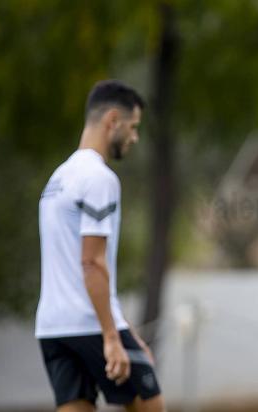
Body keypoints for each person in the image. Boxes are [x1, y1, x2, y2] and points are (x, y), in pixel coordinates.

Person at [36, 80, 165, 412]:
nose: (135, 137)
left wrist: (127, 334)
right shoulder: (99, 178)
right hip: (91, 324)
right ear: (113, 121)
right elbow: (91, 263)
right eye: (133, 127)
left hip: (52, 328)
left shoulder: (57, 179)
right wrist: (111, 336)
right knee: (151, 404)